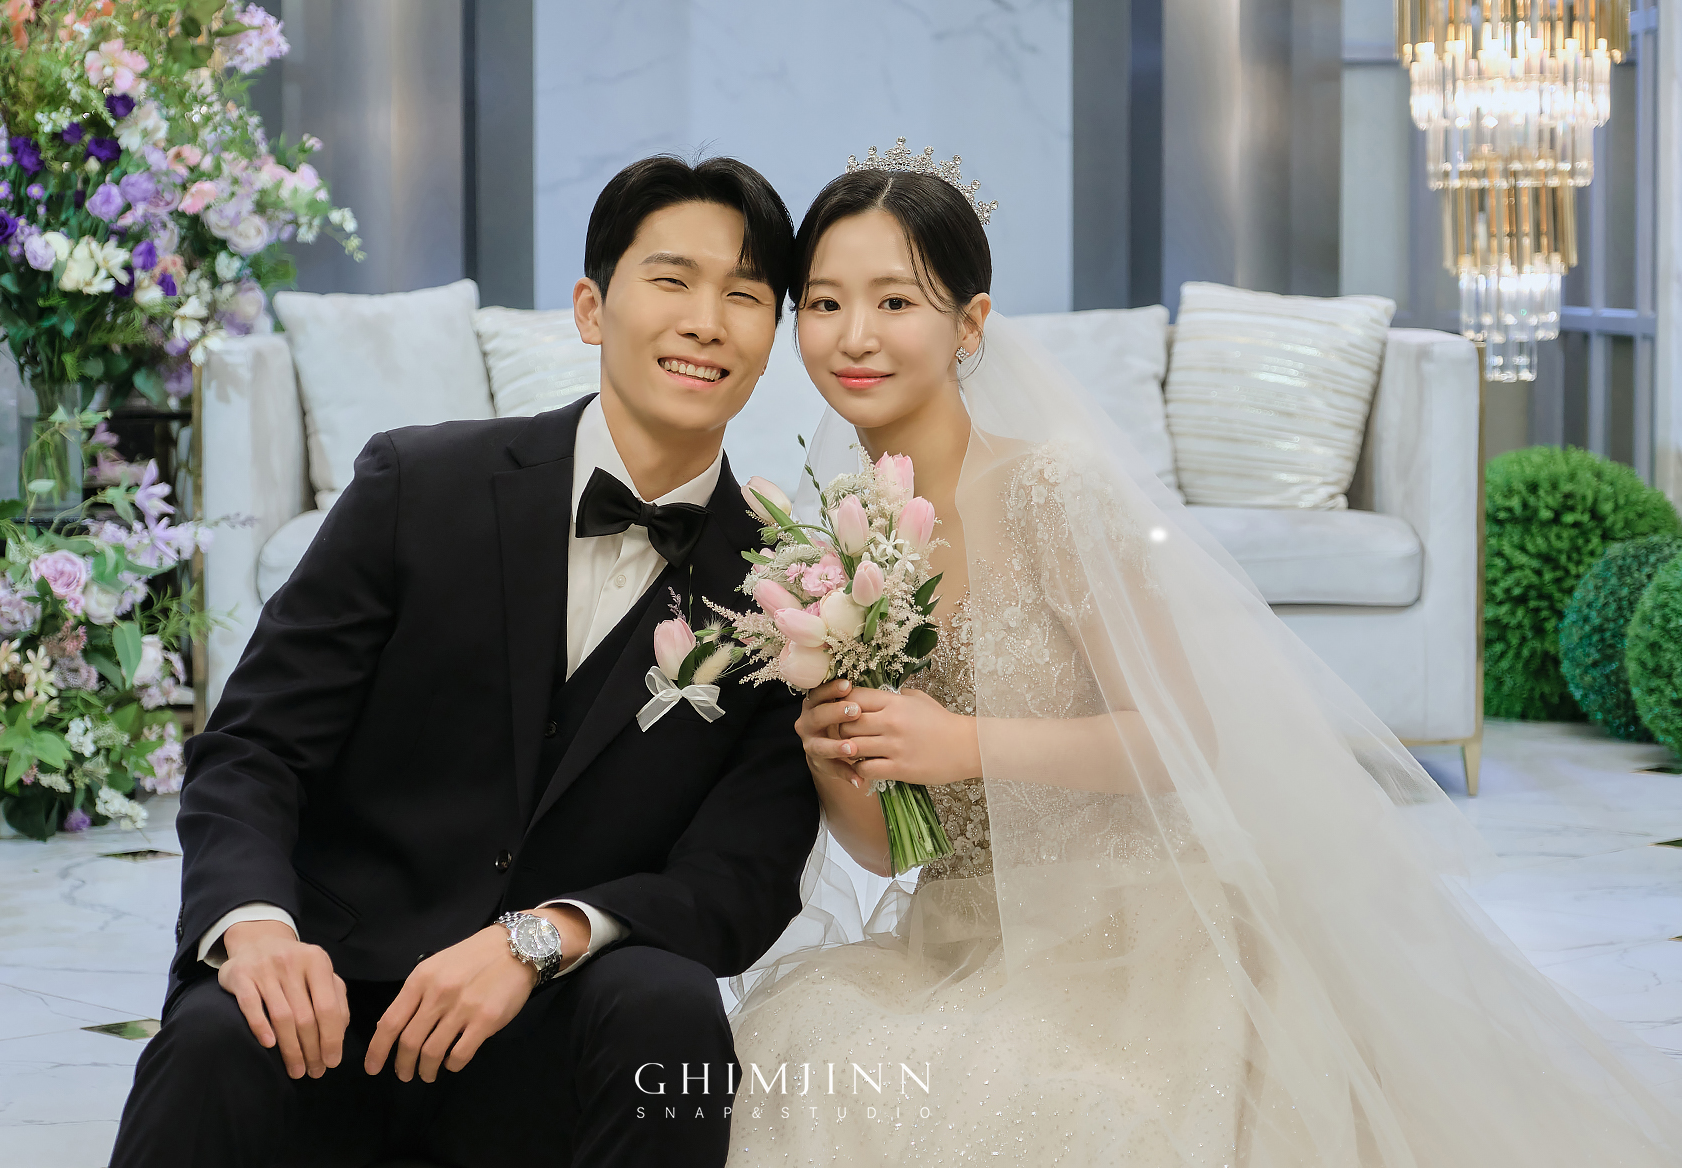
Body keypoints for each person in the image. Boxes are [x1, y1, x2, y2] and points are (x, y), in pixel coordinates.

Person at [725, 150, 1682, 1165]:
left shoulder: (1050, 491)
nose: (855, 336)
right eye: (824, 303)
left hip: (1135, 936)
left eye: (895, 301)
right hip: (960, 934)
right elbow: (892, 852)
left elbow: (1180, 739)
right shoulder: (833, 549)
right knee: (801, 1049)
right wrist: (839, 758)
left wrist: (963, 742)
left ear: (970, 323)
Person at [110, 155, 820, 1168]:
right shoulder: (418, 483)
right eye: (672, 280)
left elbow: (740, 875)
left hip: (557, 1027)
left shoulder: (784, 593)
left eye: (745, 297)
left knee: (670, 1008)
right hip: (332, 1000)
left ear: (770, 339)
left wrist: (546, 936)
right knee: (225, 1028)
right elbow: (254, 750)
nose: (707, 322)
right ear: (591, 308)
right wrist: (257, 926)